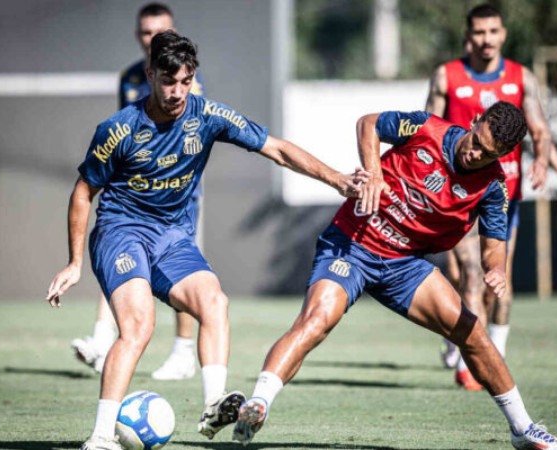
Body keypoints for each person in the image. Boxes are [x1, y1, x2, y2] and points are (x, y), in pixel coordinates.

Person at [46, 30, 362, 450]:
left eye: (185, 81)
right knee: (139, 326)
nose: (177, 92)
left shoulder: (208, 115)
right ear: (150, 75)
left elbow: (278, 149)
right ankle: (101, 437)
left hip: (172, 236)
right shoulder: (118, 129)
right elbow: (83, 191)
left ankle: (214, 404)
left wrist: (337, 178)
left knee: (214, 302)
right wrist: (73, 262)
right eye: (168, 81)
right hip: (121, 232)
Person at [233, 102, 557, 450]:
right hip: (353, 243)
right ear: (474, 121)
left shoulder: (492, 187)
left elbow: (494, 244)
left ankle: (523, 429)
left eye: (488, 154)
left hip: (403, 264)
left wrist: (496, 269)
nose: (475, 154)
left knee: (472, 333)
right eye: (476, 142)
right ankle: (259, 403)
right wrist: (375, 173)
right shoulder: (426, 128)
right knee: (318, 319)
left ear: (503, 154)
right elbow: (368, 123)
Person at [425, 3, 557, 389]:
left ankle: (491, 350)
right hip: (459, 195)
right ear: (468, 35)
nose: (487, 39)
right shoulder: (448, 76)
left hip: (502, 198)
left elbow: (540, 130)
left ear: (503, 34)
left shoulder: (520, 77)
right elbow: (428, 127)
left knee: (496, 282)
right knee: (467, 275)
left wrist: (546, 164)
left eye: (493, 31)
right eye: (479, 32)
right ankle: (469, 365)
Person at [71, 2, 204, 381]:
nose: (153, 38)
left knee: (184, 270)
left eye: (160, 32)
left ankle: (182, 352)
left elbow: (188, 132)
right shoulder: (130, 76)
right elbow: (125, 131)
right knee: (119, 255)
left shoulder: (186, 78)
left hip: (177, 195)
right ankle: (102, 338)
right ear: (138, 35)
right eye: (147, 33)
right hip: (133, 192)